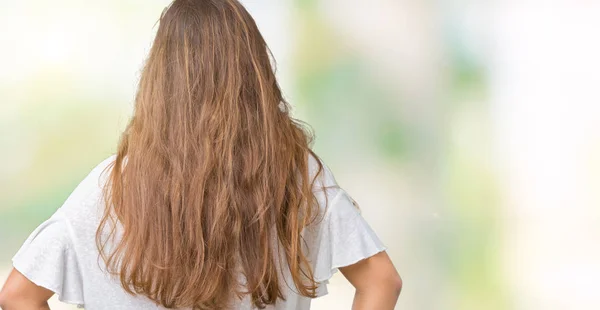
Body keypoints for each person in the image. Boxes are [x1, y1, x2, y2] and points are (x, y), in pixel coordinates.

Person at [0, 0, 402, 309]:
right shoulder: (294, 175)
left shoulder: (113, 185)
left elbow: (17, 295)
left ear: (160, 79)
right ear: (254, 75)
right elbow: (381, 280)